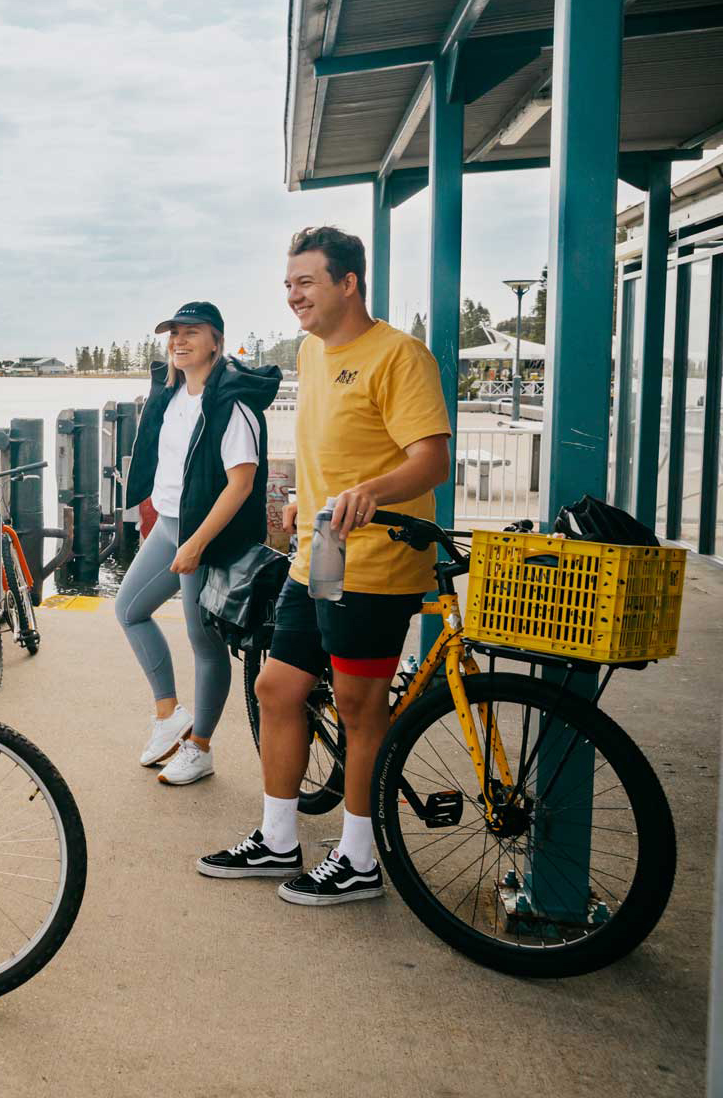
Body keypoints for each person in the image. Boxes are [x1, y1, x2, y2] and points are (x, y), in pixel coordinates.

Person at [197, 226, 450, 905]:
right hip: (318, 556)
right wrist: (300, 507)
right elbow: (328, 450)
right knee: (277, 689)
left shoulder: (400, 356)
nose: (293, 295)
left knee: (360, 709)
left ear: (348, 283)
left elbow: (430, 458)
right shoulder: (311, 353)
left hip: (379, 560)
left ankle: (360, 858)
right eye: (287, 284)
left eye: (305, 282)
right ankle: (279, 838)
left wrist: (373, 491)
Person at [117, 302, 280, 786]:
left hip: (205, 536)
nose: (179, 341)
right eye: (174, 334)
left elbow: (241, 484)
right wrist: (153, 515)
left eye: (191, 332)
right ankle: (169, 714)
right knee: (129, 609)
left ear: (216, 341)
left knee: (204, 642)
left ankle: (200, 746)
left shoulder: (231, 402)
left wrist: (197, 544)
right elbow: (167, 465)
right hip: (168, 525)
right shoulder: (170, 396)